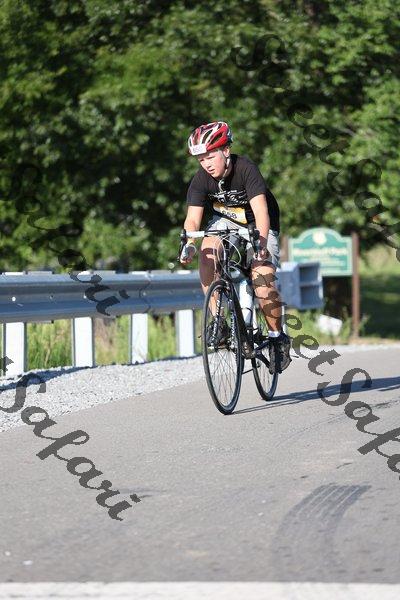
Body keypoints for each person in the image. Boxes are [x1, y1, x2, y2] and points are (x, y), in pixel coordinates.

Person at [180, 120, 290, 374]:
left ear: (226, 150)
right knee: (207, 255)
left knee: (262, 279)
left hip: (257, 223)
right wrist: (189, 244)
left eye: (210, 157)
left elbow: (261, 212)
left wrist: (261, 244)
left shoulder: (246, 169)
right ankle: (219, 320)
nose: (206, 164)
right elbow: (193, 219)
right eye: (201, 159)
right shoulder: (201, 179)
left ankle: (277, 338)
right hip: (225, 222)